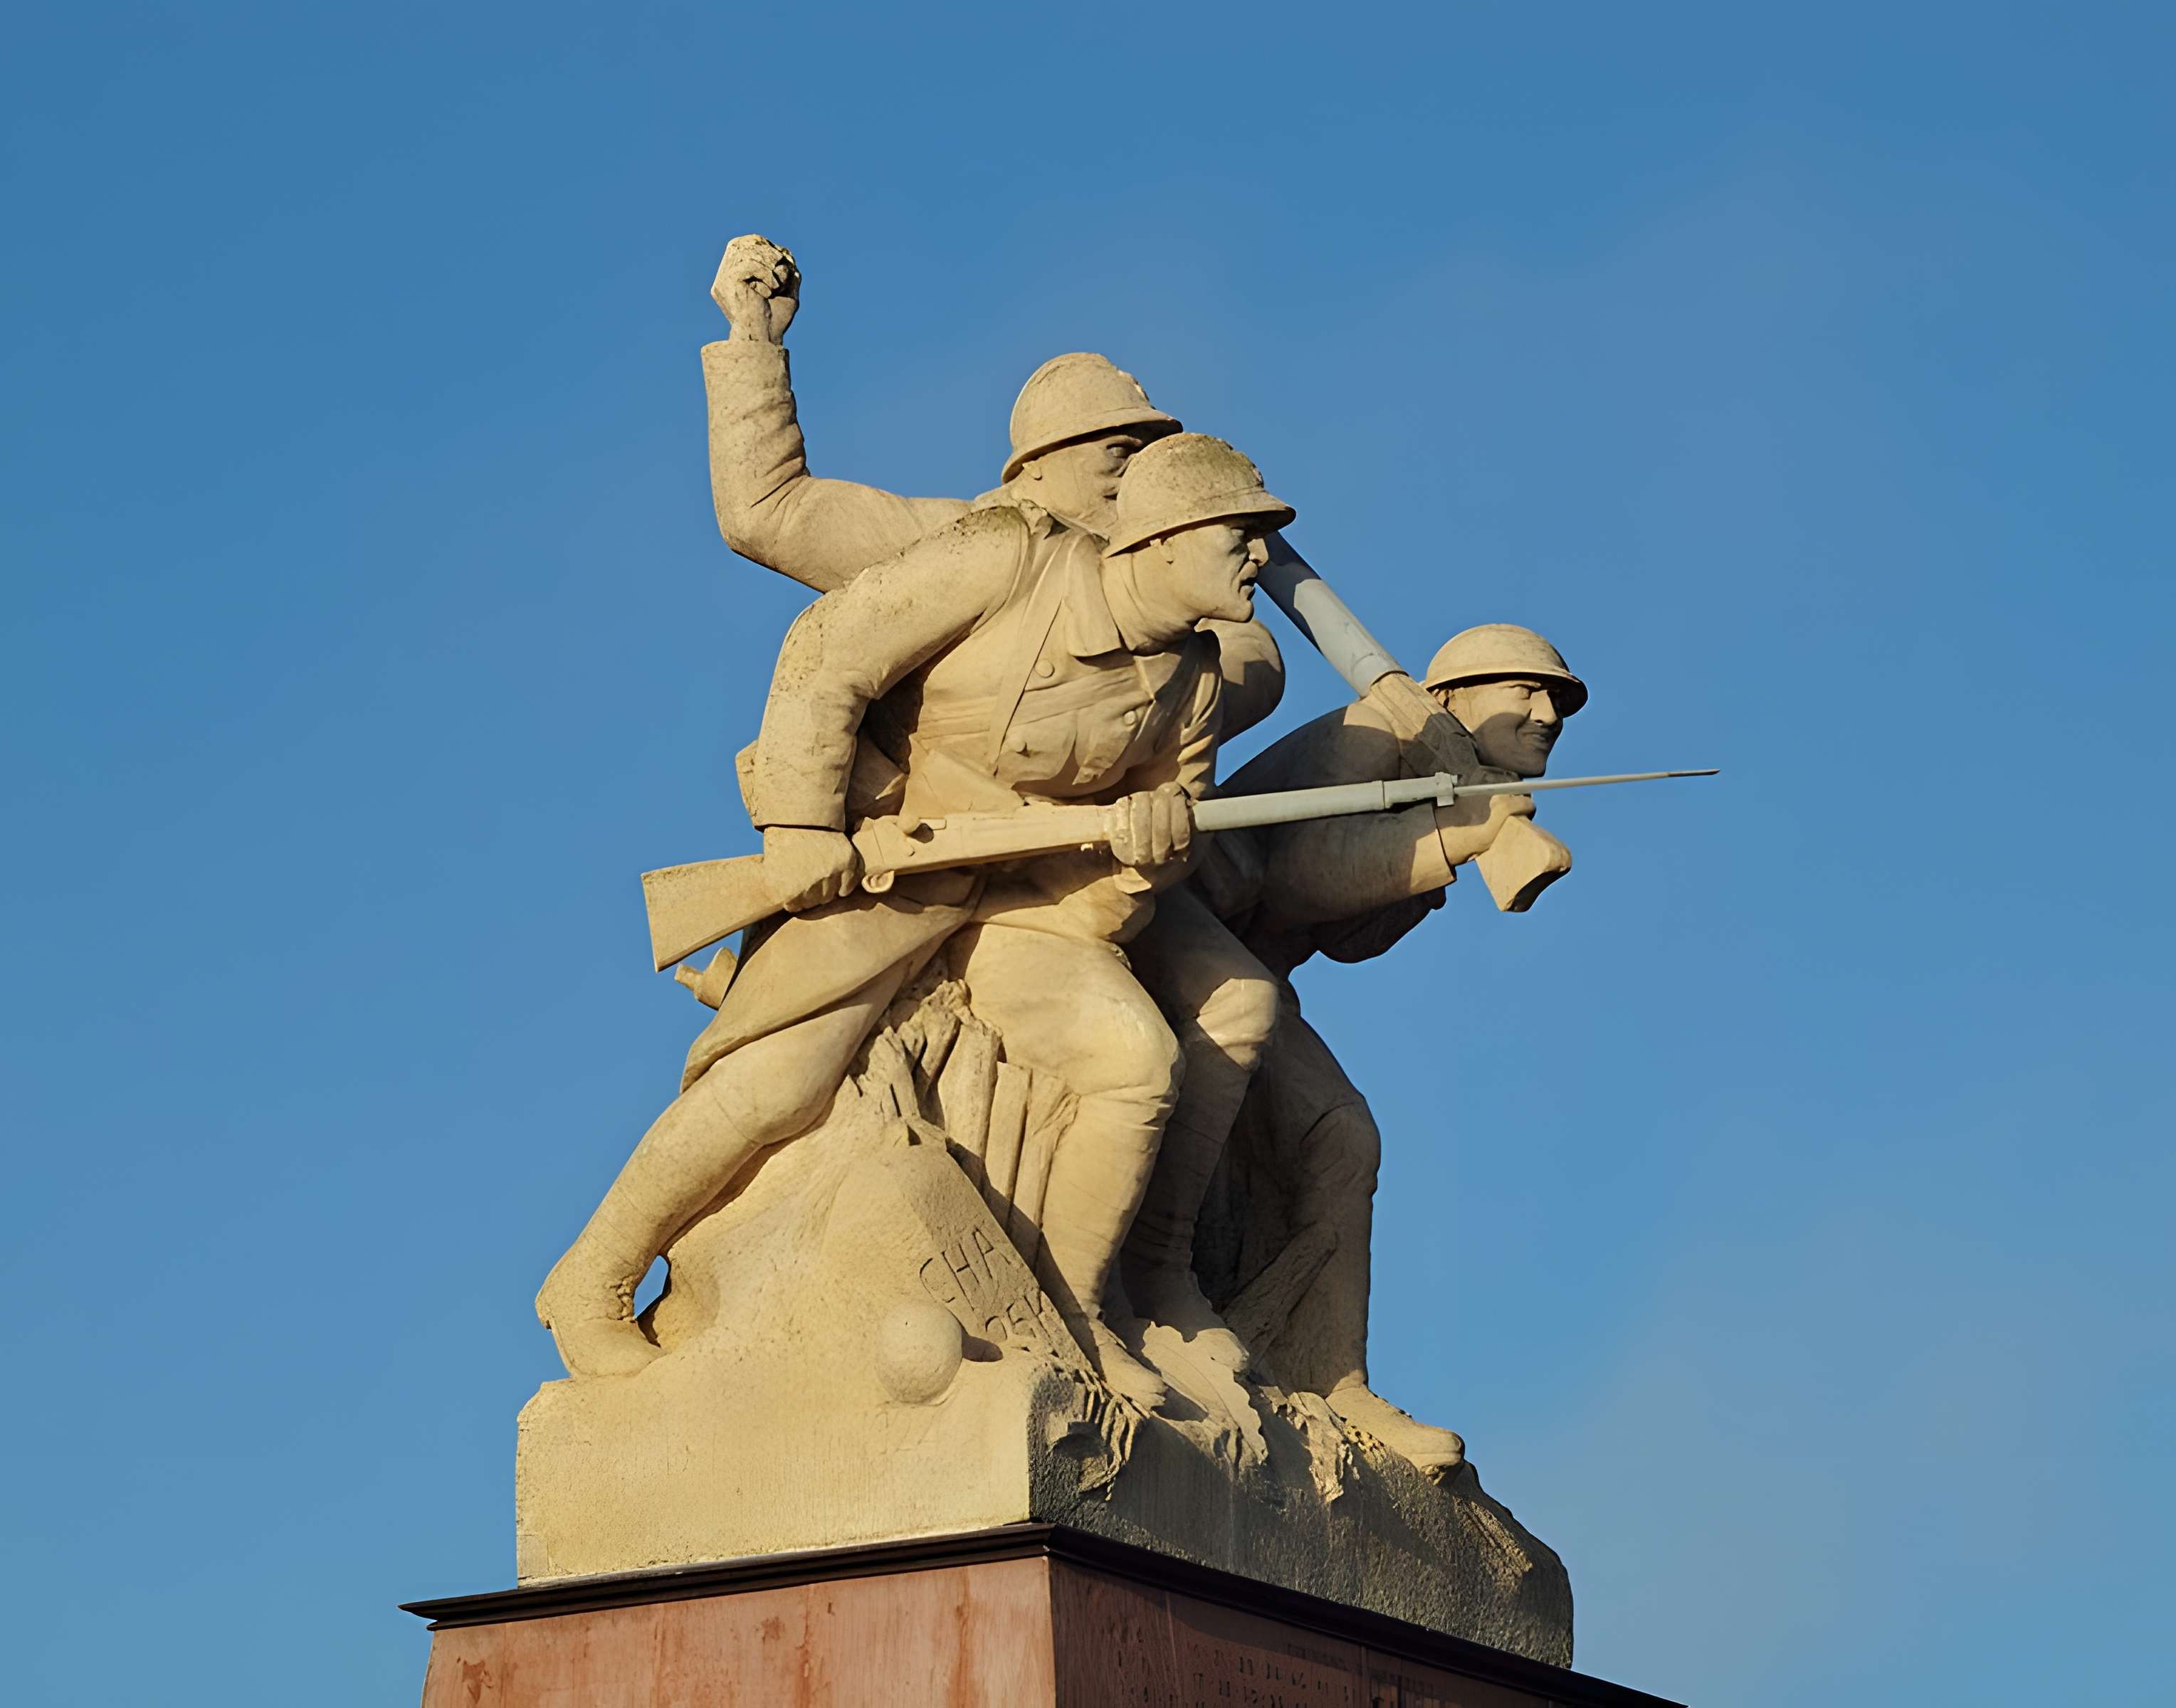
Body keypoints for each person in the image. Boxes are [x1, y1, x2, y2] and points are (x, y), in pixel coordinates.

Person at [538, 434, 1293, 1411]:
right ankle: (591, 1278)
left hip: (1028, 910)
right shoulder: (1010, 555)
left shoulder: (1191, 685)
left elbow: (1134, 878)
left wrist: (1146, 859)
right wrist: (803, 823)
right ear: (1163, 536)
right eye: (1242, 534)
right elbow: (829, 654)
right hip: (891, 863)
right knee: (780, 1076)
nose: (1259, 559)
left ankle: (1081, 1315)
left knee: (1135, 1061)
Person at [1183, 624, 1587, 1470]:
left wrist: (1453, 839)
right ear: (1450, 700)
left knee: (1340, 1138)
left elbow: (1347, 941)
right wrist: (1453, 839)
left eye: (1555, 699)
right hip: (1184, 940)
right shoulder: (1379, 732)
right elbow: (1293, 875)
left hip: (1256, 967)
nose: (1546, 713)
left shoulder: (1457, 784)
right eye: (1523, 691)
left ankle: (1330, 1376)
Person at [702, 234, 1286, 738]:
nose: (1137, 475)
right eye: (1117, 452)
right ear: (1037, 465)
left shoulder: (1179, 591)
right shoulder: (959, 544)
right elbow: (766, 513)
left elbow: (1254, 663)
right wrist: (754, 340)